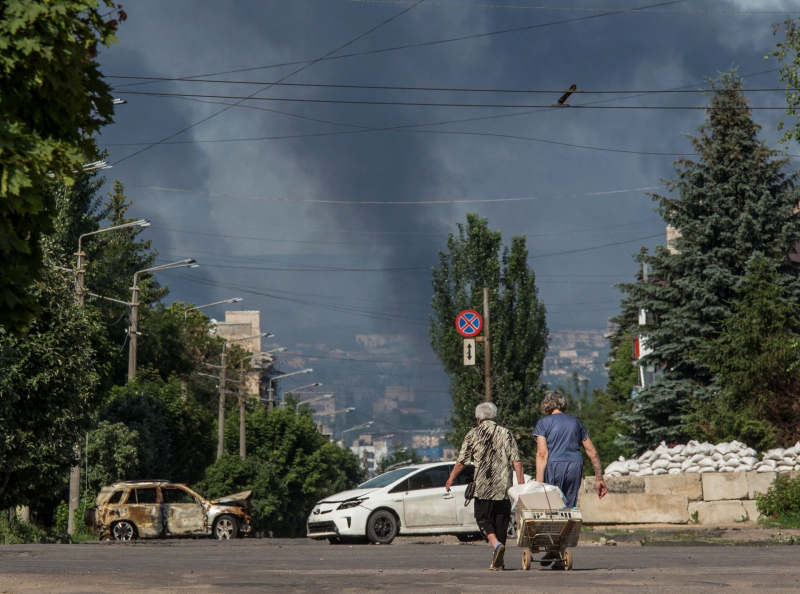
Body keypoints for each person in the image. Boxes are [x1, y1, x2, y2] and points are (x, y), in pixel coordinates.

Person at [446, 402, 524, 571]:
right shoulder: (507, 434)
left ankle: (496, 545)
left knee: (482, 518)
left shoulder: (473, 434)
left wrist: (451, 478)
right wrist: (522, 486)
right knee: (501, 522)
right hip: (504, 488)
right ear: (494, 417)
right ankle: (499, 561)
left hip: (483, 487)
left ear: (479, 419)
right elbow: (516, 462)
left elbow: (462, 461)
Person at [534, 390, 607, 510]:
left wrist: (539, 484)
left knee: (551, 507)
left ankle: (555, 528)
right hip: (575, 466)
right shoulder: (575, 422)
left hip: (554, 466)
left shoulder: (543, 423)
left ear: (547, 405)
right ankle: (568, 527)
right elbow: (592, 453)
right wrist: (599, 479)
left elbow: (542, 454)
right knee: (568, 508)